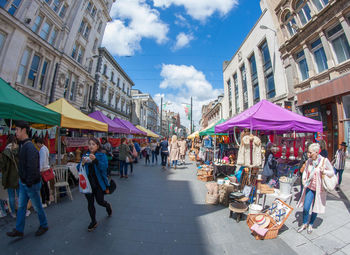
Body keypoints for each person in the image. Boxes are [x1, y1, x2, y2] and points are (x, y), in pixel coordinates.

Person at [7, 121, 48, 238]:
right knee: (21, 207)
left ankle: (44, 225)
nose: (16, 132)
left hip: (30, 184)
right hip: (24, 182)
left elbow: (33, 167)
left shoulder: (29, 147)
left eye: (17, 130)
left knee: (37, 206)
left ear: (24, 130)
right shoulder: (22, 144)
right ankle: (19, 229)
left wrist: (28, 182)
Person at [297, 143, 335, 234]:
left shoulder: (324, 161)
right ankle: (305, 223)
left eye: (310, 153)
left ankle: (311, 224)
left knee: (315, 207)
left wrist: (324, 171)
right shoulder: (309, 161)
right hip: (310, 187)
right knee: (306, 207)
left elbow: (332, 172)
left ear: (316, 152)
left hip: (319, 188)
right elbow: (305, 172)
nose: (308, 154)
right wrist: (304, 180)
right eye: (308, 152)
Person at [77, 137, 112, 232]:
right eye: (89, 144)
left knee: (100, 201)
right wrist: (82, 163)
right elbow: (78, 168)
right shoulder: (85, 155)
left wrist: (96, 160)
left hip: (98, 183)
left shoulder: (101, 155)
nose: (91, 146)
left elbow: (104, 168)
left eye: (93, 144)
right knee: (90, 203)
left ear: (97, 145)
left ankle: (107, 205)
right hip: (88, 184)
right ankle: (93, 221)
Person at [0, 135, 19, 218]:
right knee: (19, 195)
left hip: (9, 176)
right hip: (18, 175)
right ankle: (22, 210)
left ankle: (13, 213)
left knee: (11, 196)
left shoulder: (5, 151)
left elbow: (2, 166)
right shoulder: (18, 149)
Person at [34, 137, 51, 208]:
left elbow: (42, 161)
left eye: (36, 144)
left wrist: (39, 170)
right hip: (46, 169)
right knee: (46, 185)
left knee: (42, 187)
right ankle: (48, 199)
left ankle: (44, 202)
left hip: (43, 170)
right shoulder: (46, 148)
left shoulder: (42, 150)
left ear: (38, 143)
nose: (36, 145)